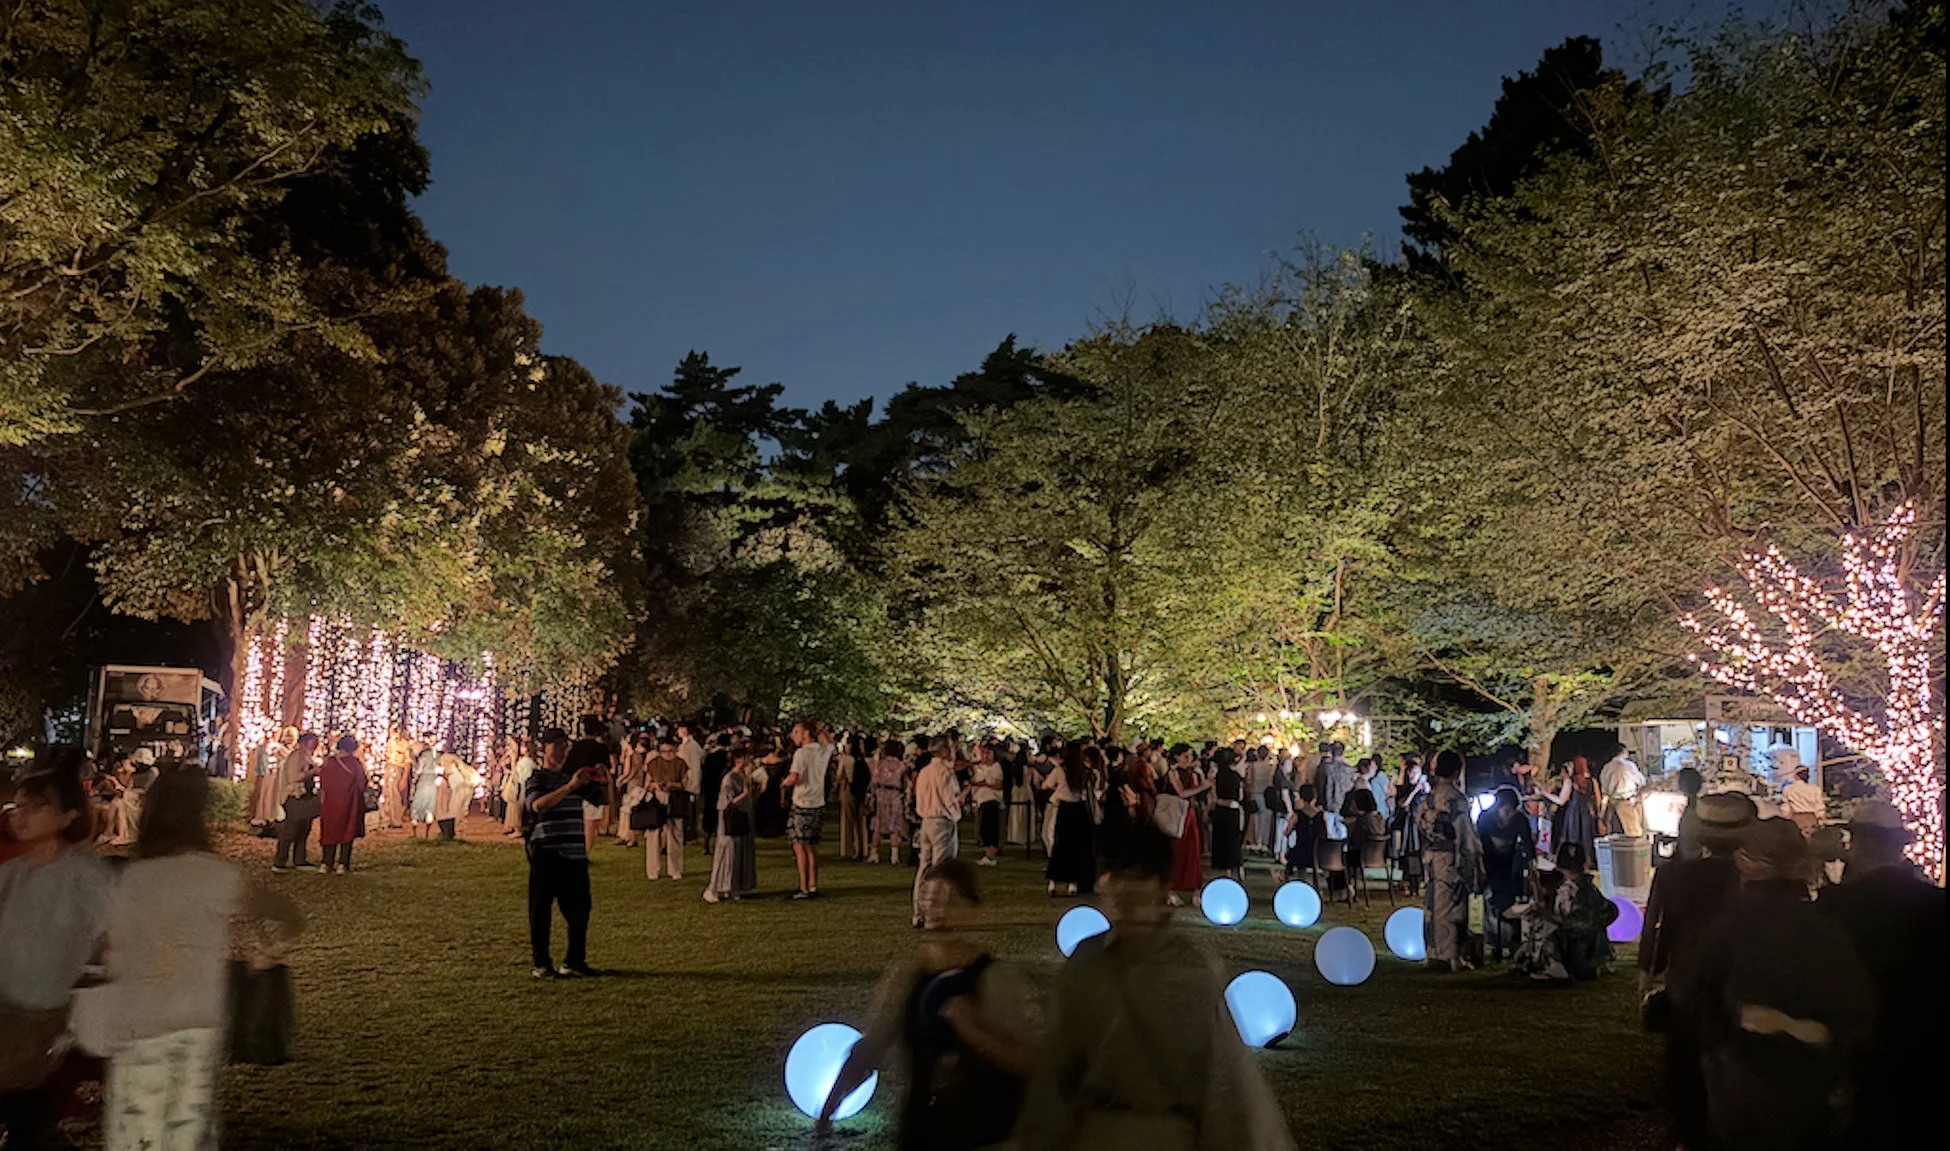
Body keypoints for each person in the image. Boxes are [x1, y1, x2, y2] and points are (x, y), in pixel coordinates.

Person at [1015, 824, 1295, 1151]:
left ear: (1160, 886)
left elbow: (1223, 1075)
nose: (1124, 890)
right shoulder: (1086, 961)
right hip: (1097, 1131)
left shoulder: (1190, 968)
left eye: (1135, 877)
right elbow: (1057, 1067)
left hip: (1162, 1131)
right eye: (1115, 875)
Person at [98, 769, 300, 1151]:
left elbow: (105, 946)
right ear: (199, 817)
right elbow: (288, 917)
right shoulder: (215, 876)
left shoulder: (129, 878)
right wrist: (265, 952)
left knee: (134, 1130)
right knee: (187, 1129)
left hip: (136, 1019)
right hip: (197, 1018)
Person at [1667, 818, 1875, 1151]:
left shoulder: (1726, 927)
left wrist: (1735, 1026)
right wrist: (1810, 1031)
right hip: (1809, 1084)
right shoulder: (1827, 931)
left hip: (1740, 1080)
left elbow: (1688, 998)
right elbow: (1856, 1013)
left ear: (1743, 864)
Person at [818, 859, 1038, 1149]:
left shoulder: (996, 980)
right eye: (930, 900)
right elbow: (871, 1048)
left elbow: (1034, 1062)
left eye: (950, 901)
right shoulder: (906, 978)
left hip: (988, 1134)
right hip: (921, 1131)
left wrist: (977, 1034)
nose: (938, 912)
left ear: (975, 912)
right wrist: (828, 1109)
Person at [1813, 801, 1946, 1149]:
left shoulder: (1834, 905)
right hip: (1923, 1042)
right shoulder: (1935, 903)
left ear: (1860, 845)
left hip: (1852, 1043)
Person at [0, 761, 113, 1151]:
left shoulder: (85, 875)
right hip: (7, 1007)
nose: (21, 815)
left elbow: (109, 937)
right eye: (17, 805)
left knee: (26, 1114)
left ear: (68, 815)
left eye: (36, 806)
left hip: (44, 1016)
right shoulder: (12, 873)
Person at [1638, 792, 1754, 1149]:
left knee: (1684, 1057)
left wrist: (1648, 970)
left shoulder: (1674, 874)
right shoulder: (1746, 880)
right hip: (1738, 977)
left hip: (1686, 977)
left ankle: (1686, 1133)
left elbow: (1656, 929)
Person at [522, 729, 599, 979]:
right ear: (545, 748)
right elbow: (537, 805)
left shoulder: (573, 776)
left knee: (580, 911)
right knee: (541, 911)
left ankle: (575, 961)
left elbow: (604, 800)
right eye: (557, 746)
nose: (563, 751)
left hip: (575, 854)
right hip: (548, 853)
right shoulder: (537, 778)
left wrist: (602, 780)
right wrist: (570, 786)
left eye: (566, 746)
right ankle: (542, 963)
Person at [1418, 750, 1479, 972]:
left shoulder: (1429, 798)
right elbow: (1465, 834)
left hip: (1432, 855)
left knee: (1434, 905)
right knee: (1454, 904)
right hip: (1452, 856)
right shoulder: (1457, 800)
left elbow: (1422, 825)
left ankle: (1433, 952)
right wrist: (1472, 857)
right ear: (1457, 771)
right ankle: (1452, 955)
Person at [1476, 787, 1534, 962]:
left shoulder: (1519, 820)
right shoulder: (1485, 819)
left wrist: (1530, 865)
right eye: (1506, 810)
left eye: (1512, 811)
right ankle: (1495, 943)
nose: (1509, 815)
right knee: (1492, 901)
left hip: (1511, 863)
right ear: (1498, 807)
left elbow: (1528, 844)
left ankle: (1512, 941)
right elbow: (1479, 846)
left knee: (1511, 899)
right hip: (1489, 862)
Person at [911, 739, 963, 927]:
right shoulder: (945, 773)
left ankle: (919, 912)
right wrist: (957, 814)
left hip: (926, 821)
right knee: (941, 870)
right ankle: (934, 915)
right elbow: (949, 799)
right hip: (942, 821)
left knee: (924, 868)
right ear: (944, 752)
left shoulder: (924, 772)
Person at [782, 721, 834, 900]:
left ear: (805, 734)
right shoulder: (822, 751)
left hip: (803, 802)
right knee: (811, 846)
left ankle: (804, 886)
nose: (793, 735)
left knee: (800, 846)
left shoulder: (801, 754)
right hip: (817, 802)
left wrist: (783, 784)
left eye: (796, 732)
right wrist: (822, 730)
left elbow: (795, 777)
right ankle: (813, 885)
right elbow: (829, 743)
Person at [703, 748, 757, 903]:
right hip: (731, 820)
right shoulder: (730, 778)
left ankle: (733, 886)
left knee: (740, 852)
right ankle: (714, 888)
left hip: (743, 819)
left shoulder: (743, 775)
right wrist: (744, 794)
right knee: (728, 852)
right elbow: (727, 802)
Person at [1043, 744, 1095, 897]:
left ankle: (1053, 882)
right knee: (1077, 847)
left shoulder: (1060, 770)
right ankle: (1072, 883)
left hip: (1064, 809)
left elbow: (1048, 785)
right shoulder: (1084, 771)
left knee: (1060, 845)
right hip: (1079, 809)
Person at [316, 734, 368, 874]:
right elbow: (361, 783)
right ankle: (343, 863)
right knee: (347, 831)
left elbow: (322, 781)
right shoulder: (354, 763)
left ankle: (327, 862)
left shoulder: (329, 762)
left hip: (330, 801)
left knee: (329, 830)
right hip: (350, 801)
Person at [565, 717, 615, 854]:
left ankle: (575, 850)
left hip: (575, 788)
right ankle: (584, 852)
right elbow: (606, 769)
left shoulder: (575, 747)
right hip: (593, 790)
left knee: (578, 821)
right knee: (591, 823)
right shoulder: (600, 748)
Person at [639, 737, 687, 880]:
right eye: (663, 751)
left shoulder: (680, 764)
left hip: (675, 799)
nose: (666, 754)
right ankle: (653, 869)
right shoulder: (653, 764)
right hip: (657, 799)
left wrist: (671, 784)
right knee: (653, 834)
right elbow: (647, 783)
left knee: (675, 833)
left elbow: (684, 784)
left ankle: (675, 869)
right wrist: (655, 785)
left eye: (669, 751)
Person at [1544, 754, 1601, 866]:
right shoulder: (1592, 781)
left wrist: (1545, 793)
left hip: (1574, 814)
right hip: (1588, 815)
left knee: (1573, 837)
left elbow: (1561, 800)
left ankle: (1572, 861)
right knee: (1587, 838)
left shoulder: (1570, 781)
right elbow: (1598, 800)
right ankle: (1588, 861)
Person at [1390, 754, 1430, 895]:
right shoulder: (1405, 788)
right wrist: (1414, 791)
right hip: (1408, 824)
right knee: (1408, 853)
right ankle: (1408, 881)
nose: (1412, 775)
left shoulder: (1425, 789)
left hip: (1420, 824)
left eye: (1415, 772)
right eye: (1410, 772)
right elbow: (1402, 804)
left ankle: (1418, 882)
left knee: (1419, 853)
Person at [1207, 748, 1246, 880]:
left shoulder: (1215, 777)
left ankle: (1226, 870)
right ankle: (1239, 867)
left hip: (1220, 808)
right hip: (1233, 809)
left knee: (1221, 841)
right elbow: (1240, 796)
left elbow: (1213, 796)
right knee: (1234, 840)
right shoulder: (1236, 776)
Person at [869, 738, 908, 864]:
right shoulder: (902, 766)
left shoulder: (879, 764)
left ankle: (874, 854)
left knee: (878, 825)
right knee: (894, 825)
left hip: (880, 794)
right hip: (895, 795)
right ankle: (894, 856)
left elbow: (874, 780)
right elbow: (904, 783)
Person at [968, 741, 1005, 867]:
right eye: (984, 753)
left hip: (992, 800)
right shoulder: (980, 768)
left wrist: (984, 784)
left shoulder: (996, 767)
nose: (986, 756)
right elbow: (974, 781)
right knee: (984, 829)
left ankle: (991, 855)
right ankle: (987, 853)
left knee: (991, 829)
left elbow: (999, 785)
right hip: (981, 800)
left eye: (989, 753)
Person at [1599, 744, 1647, 837]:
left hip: (1610, 803)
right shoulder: (1629, 765)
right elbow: (1641, 781)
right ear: (1624, 752)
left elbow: (1604, 787)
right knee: (1633, 833)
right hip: (1625, 801)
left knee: (1613, 834)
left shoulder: (1606, 767)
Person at [434, 752, 475, 840]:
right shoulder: (456, 761)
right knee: (462, 808)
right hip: (467, 784)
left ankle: (455, 830)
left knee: (455, 808)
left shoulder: (445, 759)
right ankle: (461, 828)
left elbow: (447, 773)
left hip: (459, 786)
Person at [502, 739, 535, 837]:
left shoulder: (527, 761)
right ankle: (515, 828)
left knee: (518, 808)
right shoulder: (524, 760)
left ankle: (518, 829)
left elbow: (521, 775)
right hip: (519, 786)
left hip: (522, 787)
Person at [408, 738, 440, 840]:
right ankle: (427, 833)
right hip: (433, 781)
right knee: (430, 805)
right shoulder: (436, 755)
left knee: (417, 804)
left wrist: (414, 781)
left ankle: (415, 833)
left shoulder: (423, 756)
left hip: (423, 780)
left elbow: (419, 770)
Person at [1317, 741, 1356, 817]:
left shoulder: (1324, 768)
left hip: (1328, 805)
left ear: (1331, 752)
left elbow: (1320, 786)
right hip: (1345, 805)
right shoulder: (1350, 769)